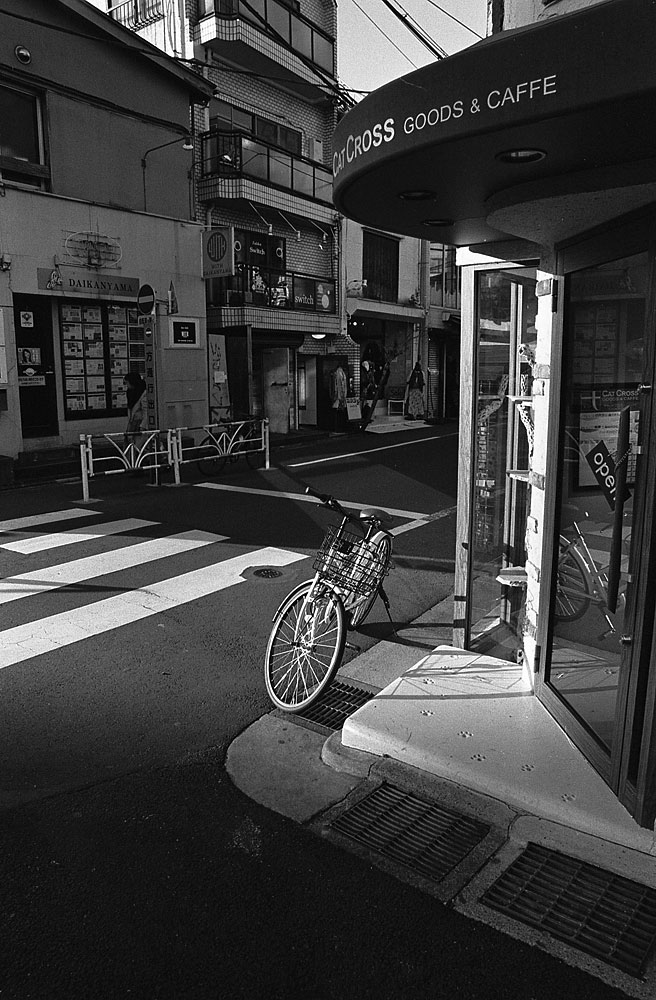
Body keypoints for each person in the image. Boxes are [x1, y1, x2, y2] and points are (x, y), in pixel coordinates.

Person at [124, 371, 147, 438]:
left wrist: (143, 426)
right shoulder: (130, 392)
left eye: (127, 383)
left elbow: (146, 411)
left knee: (137, 444)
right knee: (128, 442)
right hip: (132, 422)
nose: (127, 385)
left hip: (139, 422)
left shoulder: (143, 393)